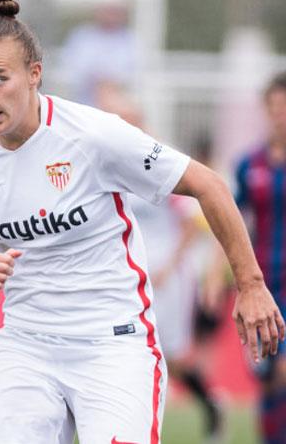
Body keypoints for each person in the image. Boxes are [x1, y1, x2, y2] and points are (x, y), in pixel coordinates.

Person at [0, 0, 284, 444]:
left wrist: (251, 286)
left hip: (114, 344)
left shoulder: (94, 135)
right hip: (25, 346)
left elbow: (210, 186)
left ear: (34, 73)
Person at [98, 86, 225, 442]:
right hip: (129, 277)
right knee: (128, 348)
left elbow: (191, 222)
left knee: (174, 355)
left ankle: (211, 404)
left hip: (167, 277)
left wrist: (171, 263)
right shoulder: (105, 162)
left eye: (122, 118)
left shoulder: (158, 160)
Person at [234, 71, 286, 444]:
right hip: (263, 284)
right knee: (267, 378)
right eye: (276, 106)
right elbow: (232, 222)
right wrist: (217, 278)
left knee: (284, 370)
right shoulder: (248, 165)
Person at [59, 2, 137, 106]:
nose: (110, 16)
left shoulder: (130, 39)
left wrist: (110, 81)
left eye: (114, 11)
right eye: (107, 11)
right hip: (83, 99)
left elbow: (133, 71)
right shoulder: (81, 36)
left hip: (117, 99)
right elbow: (71, 68)